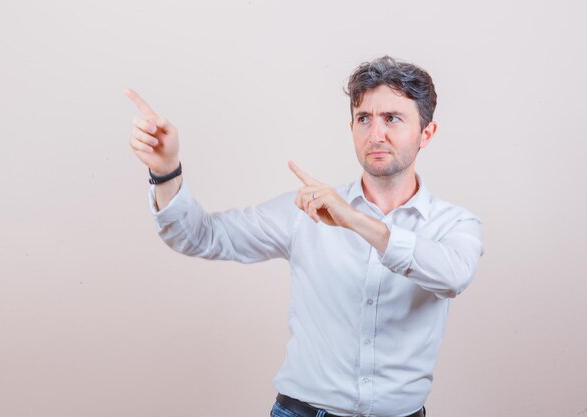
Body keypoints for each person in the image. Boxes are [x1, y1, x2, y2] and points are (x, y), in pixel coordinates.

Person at [125, 56, 484, 417]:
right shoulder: (304, 211)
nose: (376, 134)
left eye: (392, 118)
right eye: (364, 119)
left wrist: (354, 220)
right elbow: (201, 236)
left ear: (427, 133)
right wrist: (166, 170)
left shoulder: (454, 224)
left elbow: (452, 276)